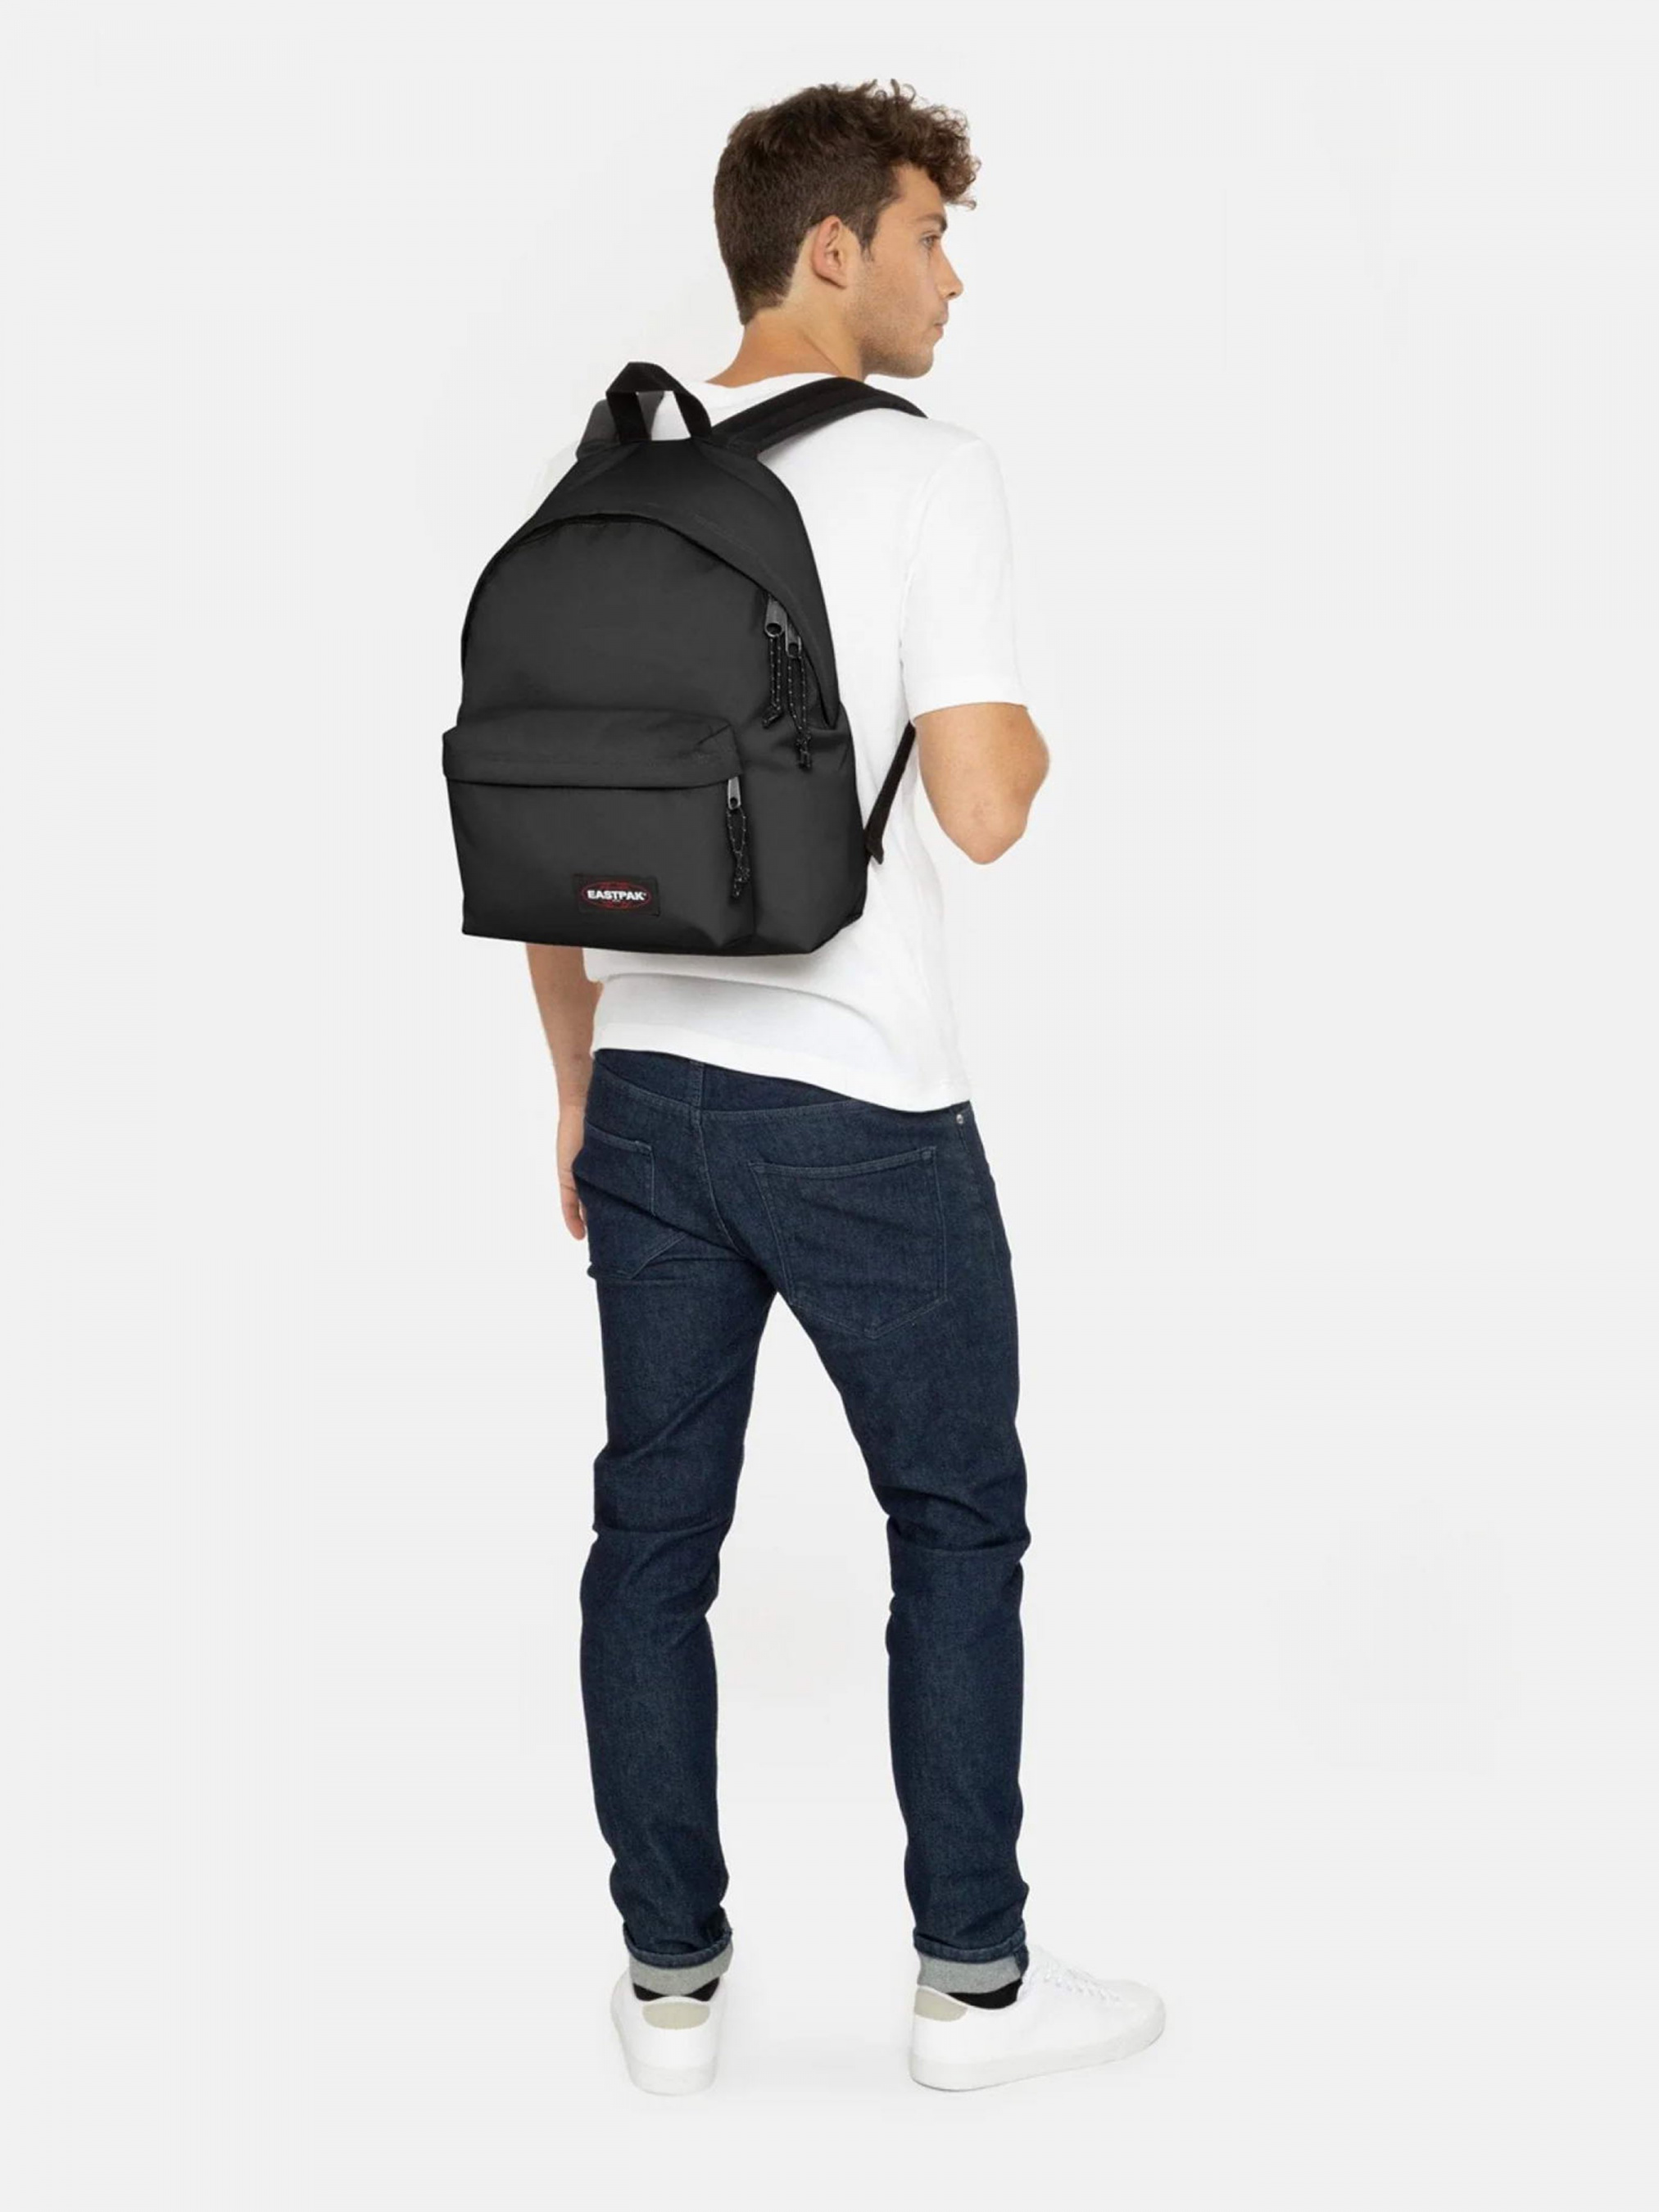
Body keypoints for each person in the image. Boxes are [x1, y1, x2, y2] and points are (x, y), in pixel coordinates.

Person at [519, 79, 1165, 2093]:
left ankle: (668, 1989)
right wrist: (1027, 723)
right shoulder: (925, 473)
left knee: (650, 1538)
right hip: (860, 1100)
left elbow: (542, 830)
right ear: (831, 250)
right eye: (927, 235)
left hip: (647, 1091)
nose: (948, 279)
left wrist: (574, 1089)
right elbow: (982, 810)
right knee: (954, 1523)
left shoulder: (599, 478)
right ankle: (973, 1988)